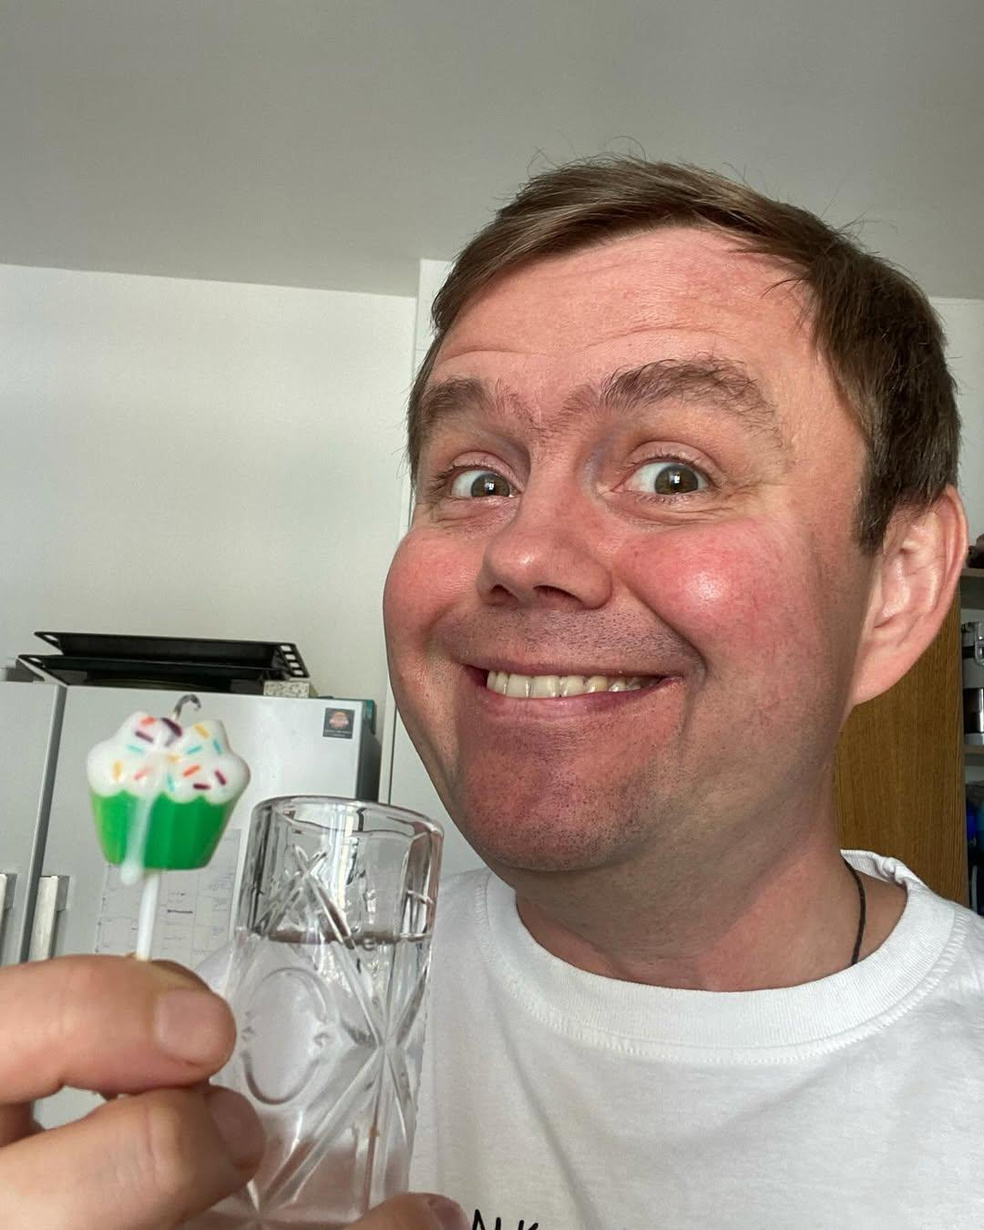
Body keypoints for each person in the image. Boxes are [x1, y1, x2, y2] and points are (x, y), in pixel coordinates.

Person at [0, 157, 977, 1228]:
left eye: (676, 474)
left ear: (896, 587)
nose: (523, 552)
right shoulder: (224, 1031)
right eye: (478, 479)